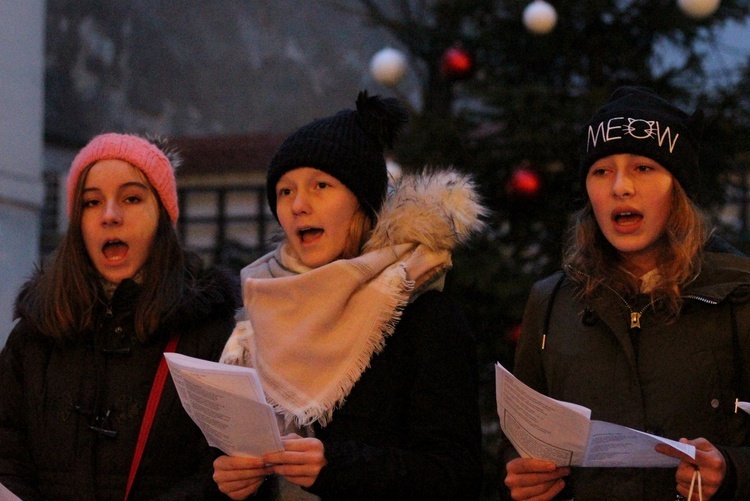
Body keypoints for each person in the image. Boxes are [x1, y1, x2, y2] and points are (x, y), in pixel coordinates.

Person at [213, 90, 487, 500]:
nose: (298, 205)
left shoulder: (422, 314)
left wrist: (336, 467)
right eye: (285, 192)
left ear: (362, 202)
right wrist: (229, 484)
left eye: (320, 185)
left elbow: (456, 475)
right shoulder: (260, 305)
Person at [499, 85, 750, 501]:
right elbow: (521, 442)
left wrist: (732, 471)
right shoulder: (551, 302)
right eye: (601, 171)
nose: (620, 187)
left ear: (679, 188)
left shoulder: (739, 294)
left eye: (643, 169)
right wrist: (524, 475)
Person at [0, 133, 240, 500]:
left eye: (131, 198)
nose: (110, 216)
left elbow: (225, 471)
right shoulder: (35, 334)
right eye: (92, 202)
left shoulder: (208, 330)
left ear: (162, 215)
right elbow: (7, 456)